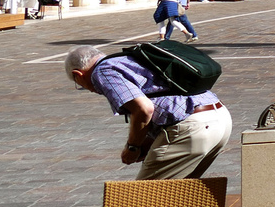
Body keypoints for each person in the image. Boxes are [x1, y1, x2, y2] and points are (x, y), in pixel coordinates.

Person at [67, 44, 232, 180]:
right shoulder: (127, 60)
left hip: (193, 126)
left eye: (79, 84)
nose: (87, 90)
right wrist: (149, 139)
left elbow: (144, 109)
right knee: (181, 195)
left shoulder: (102, 71)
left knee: (144, 201)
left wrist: (133, 147)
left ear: (77, 75)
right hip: (219, 118)